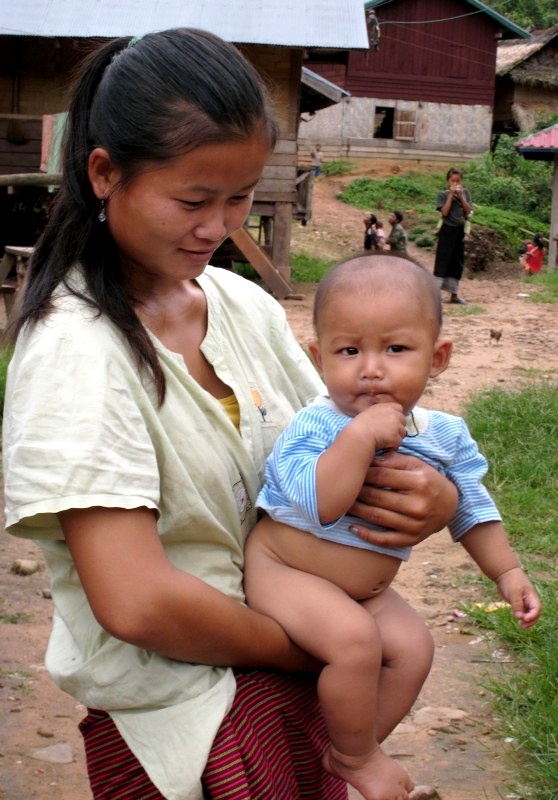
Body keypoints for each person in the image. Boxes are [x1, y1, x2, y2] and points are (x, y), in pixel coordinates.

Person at [1, 29, 459, 800]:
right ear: (105, 174)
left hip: (293, 682)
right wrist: (313, 646)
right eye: (193, 200)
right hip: (180, 720)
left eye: (239, 197)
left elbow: (332, 444)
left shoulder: (244, 307)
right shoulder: (76, 350)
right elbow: (138, 601)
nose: (218, 226)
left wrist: (432, 499)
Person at [245, 254, 542, 800]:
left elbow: (470, 506)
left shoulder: (444, 435)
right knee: (356, 643)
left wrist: (507, 572)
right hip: (284, 570)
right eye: (349, 351)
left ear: (438, 357)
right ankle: (357, 757)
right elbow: (318, 504)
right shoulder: (316, 424)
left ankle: (347, 748)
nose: (371, 369)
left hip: (364, 591)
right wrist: (358, 438)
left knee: (414, 649)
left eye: (396, 349)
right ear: (319, 358)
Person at [433, 167, 472, 304]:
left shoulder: (465, 193)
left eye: (458, 181)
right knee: (442, 260)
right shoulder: (442, 195)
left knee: (457, 262)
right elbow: (444, 212)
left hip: (460, 230)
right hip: (447, 229)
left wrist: (461, 196)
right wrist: (450, 195)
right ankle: (435, 295)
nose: (455, 183)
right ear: (448, 181)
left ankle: (454, 295)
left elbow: (468, 211)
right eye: (452, 181)